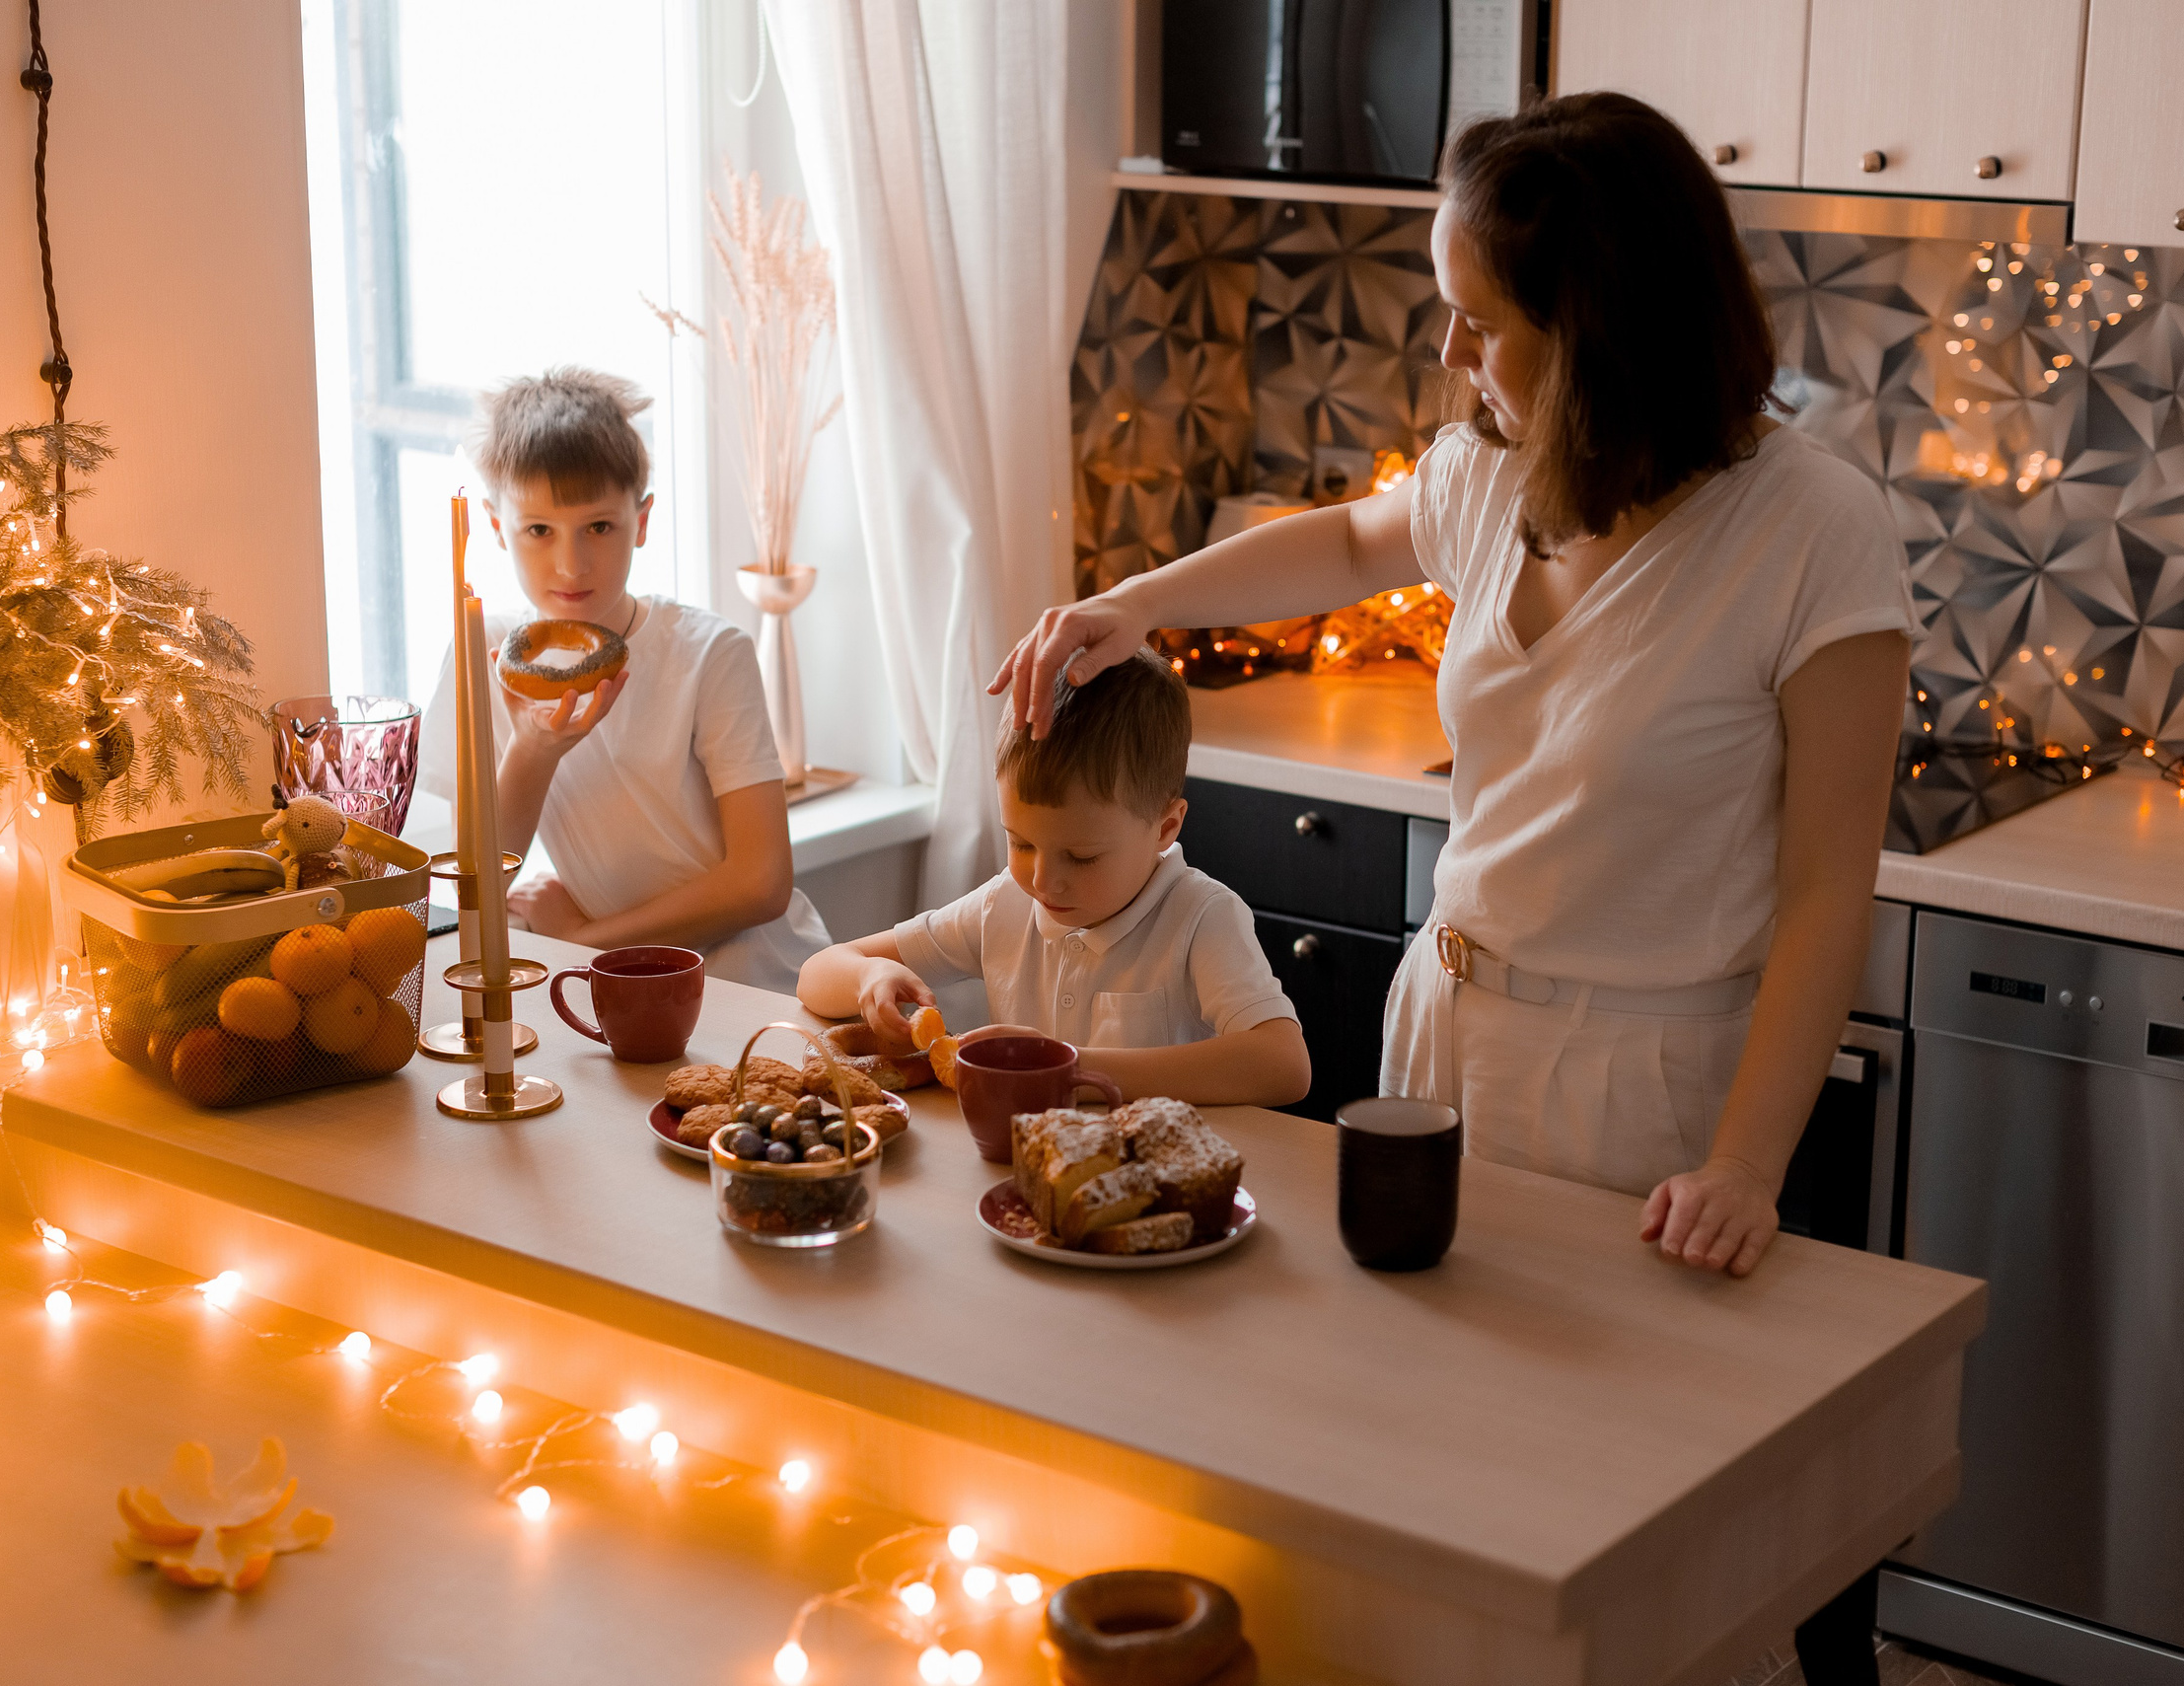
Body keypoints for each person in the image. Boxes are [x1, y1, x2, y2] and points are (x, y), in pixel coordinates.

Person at [987, 95, 1912, 1684]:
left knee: (1629, 1539)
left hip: (1656, 1086)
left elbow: (1832, 887)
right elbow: (1347, 540)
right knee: (1431, 1481)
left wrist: (1751, 1161)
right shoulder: (1497, 470)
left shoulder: (1814, 531)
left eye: (1478, 323)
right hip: (1442, 1038)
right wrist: (1129, 605)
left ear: (1597, 329)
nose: (1447, 358)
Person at [418, 367, 830, 991]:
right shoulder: (484, 651)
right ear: (498, 529)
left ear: (641, 520)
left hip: (755, 976)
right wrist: (532, 752)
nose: (570, 564)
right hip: (619, 991)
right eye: (539, 531)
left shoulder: (709, 652)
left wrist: (583, 943)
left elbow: (761, 884)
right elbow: (477, 890)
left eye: (599, 527)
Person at [799, 648, 1311, 1108]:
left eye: (1082, 857)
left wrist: (1069, 1068)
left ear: (1165, 827)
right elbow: (816, 976)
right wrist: (869, 976)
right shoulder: (1003, 904)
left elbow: (1284, 1066)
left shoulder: (1201, 917)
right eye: (1021, 842)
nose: (1044, 881)